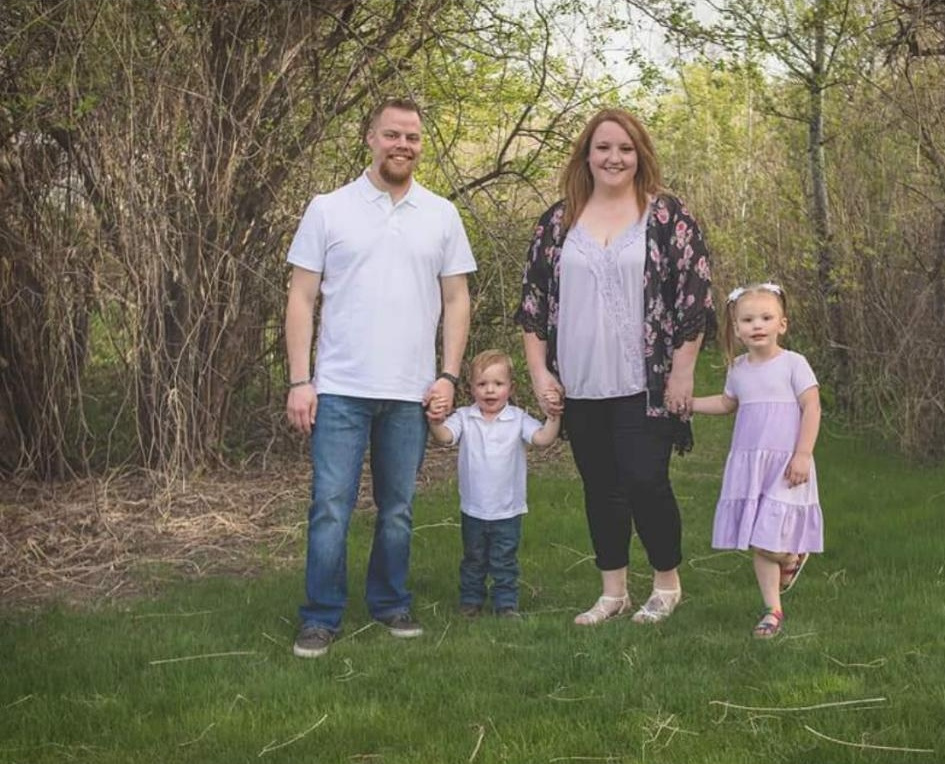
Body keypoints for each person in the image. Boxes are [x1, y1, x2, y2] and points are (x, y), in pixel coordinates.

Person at [284, 97, 477, 658]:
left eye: (412, 137)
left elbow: (457, 299)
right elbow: (301, 297)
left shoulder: (441, 214)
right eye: (392, 134)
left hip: (410, 391)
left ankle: (390, 602)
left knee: (397, 509)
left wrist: (448, 376)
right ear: (370, 138)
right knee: (330, 507)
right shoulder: (329, 209)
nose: (402, 145)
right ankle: (320, 616)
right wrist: (300, 380)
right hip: (340, 388)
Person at [515, 107, 715, 626]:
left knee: (646, 480)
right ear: (586, 154)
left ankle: (667, 583)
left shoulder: (666, 217)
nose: (614, 158)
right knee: (600, 487)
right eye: (603, 147)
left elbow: (694, 298)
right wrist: (540, 372)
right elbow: (533, 303)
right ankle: (613, 592)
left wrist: (682, 372)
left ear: (640, 154)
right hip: (581, 381)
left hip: (644, 382)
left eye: (625, 148)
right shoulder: (558, 222)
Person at [691, 283, 823, 638]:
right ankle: (772, 609)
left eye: (766, 318)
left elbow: (812, 407)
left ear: (782, 324)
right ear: (737, 329)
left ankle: (791, 556)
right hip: (751, 467)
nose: (757, 325)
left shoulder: (793, 364)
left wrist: (803, 454)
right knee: (757, 538)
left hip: (786, 466)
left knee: (767, 539)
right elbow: (727, 403)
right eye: (748, 320)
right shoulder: (738, 368)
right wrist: (690, 404)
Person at [427, 350, 560, 618]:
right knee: (473, 559)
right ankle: (470, 601)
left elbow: (543, 439)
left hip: (508, 509)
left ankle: (506, 605)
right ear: (470, 388)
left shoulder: (517, 418)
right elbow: (445, 437)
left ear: (511, 388)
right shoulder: (464, 417)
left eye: (498, 384)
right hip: (473, 509)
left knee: (504, 560)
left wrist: (553, 416)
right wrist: (435, 420)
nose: (490, 390)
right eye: (482, 384)